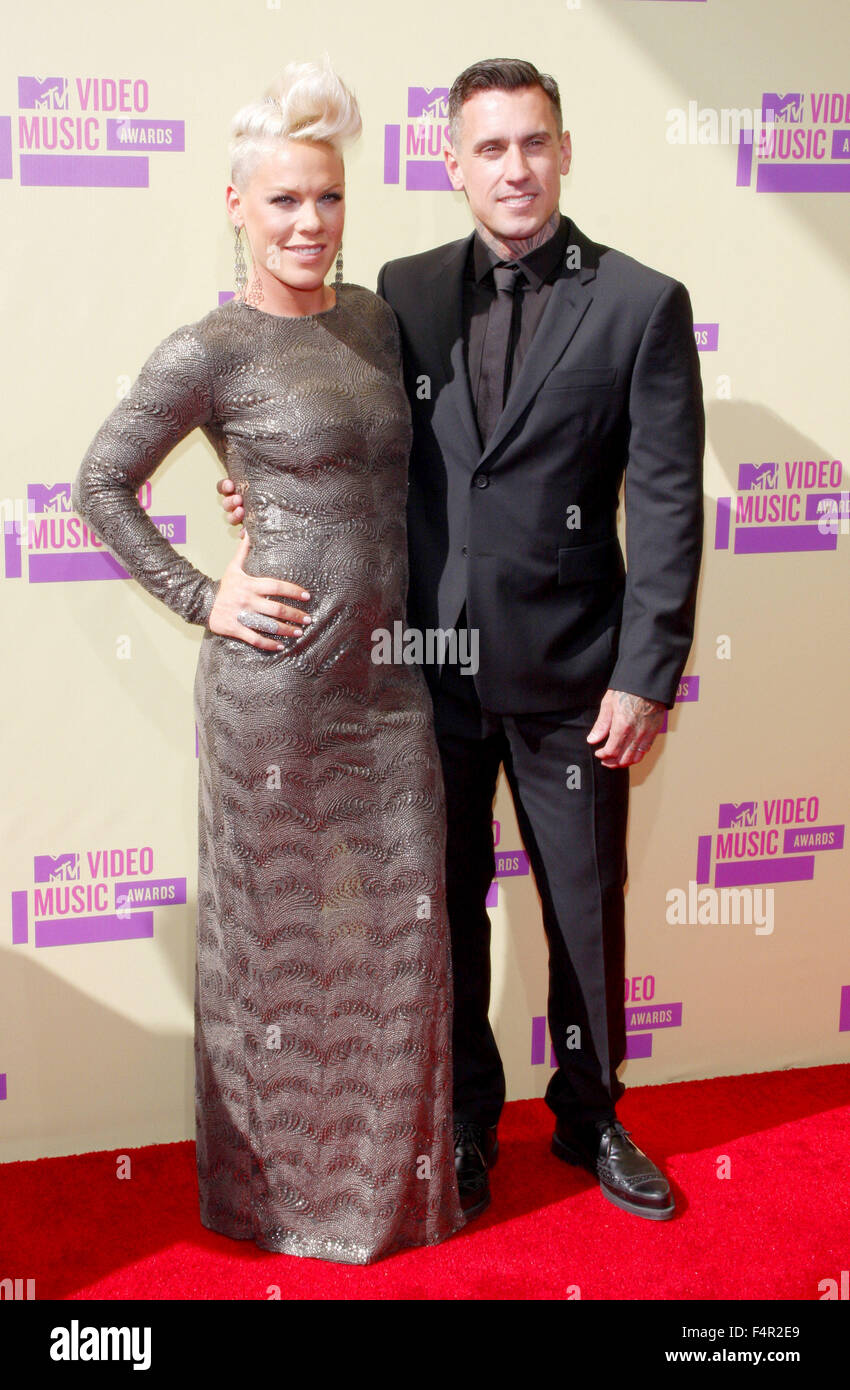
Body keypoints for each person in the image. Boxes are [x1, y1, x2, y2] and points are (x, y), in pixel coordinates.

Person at [219, 58, 705, 1223]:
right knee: (444, 911)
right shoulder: (401, 291)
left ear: (565, 150)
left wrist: (647, 675)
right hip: (421, 678)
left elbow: (671, 504)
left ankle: (589, 1115)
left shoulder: (641, 302)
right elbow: (352, 433)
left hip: (578, 681)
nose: (514, 167)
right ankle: (465, 1127)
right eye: (488, 148)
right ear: (451, 165)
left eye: (533, 142)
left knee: (585, 910)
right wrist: (268, 498)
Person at [71, 60, 465, 1264]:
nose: (310, 224)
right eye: (285, 201)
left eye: (330, 199)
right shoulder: (210, 346)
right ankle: (272, 1203)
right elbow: (99, 481)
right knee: (275, 948)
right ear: (235, 205)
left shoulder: (375, 323)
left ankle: (395, 1198)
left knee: (403, 941)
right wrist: (206, 592)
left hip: (388, 687)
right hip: (276, 695)